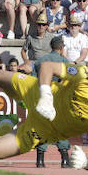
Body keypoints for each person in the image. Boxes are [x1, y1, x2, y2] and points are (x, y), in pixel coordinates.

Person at [31, 35, 72, 168]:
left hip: (42, 96)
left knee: (42, 126)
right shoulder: (65, 62)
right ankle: (65, 159)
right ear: (61, 48)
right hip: (58, 97)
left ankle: (40, 160)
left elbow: (33, 81)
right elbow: (69, 82)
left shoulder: (39, 62)